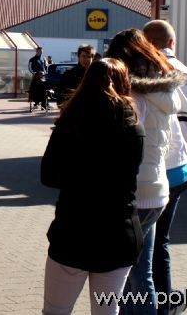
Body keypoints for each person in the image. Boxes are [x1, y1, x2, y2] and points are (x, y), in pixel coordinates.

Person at [41, 58, 145, 315]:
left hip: (73, 230)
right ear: (125, 85)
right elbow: (129, 177)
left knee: (56, 311)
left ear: (85, 83)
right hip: (118, 233)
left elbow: (49, 176)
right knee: (106, 312)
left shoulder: (69, 123)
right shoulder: (133, 127)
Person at [105, 29, 184, 314]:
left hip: (134, 192)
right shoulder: (163, 91)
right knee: (139, 273)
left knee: (132, 276)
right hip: (156, 188)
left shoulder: (131, 95)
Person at [142, 20, 187, 315]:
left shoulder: (139, 75)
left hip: (145, 174)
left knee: (142, 244)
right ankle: (166, 301)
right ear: (172, 42)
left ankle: (142, 303)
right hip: (178, 171)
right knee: (161, 241)